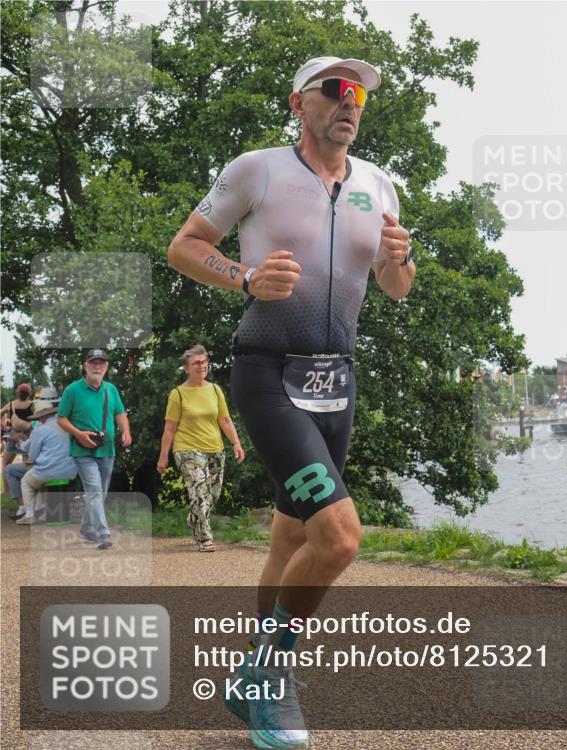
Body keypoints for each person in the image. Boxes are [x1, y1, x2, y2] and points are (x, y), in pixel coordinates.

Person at [167, 55, 413, 749]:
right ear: (298, 104)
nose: (350, 102)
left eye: (358, 93)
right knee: (338, 537)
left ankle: (257, 673)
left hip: (339, 381)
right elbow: (184, 247)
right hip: (268, 371)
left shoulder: (377, 183)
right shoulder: (260, 169)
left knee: (294, 538)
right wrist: (245, 277)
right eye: (335, 90)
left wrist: (400, 256)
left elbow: (397, 287)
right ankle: (269, 675)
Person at [157, 344, 245, 551]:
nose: (201, 366)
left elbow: (224, 419)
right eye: (196, 363)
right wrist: (163, 457)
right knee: (199, 492)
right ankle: (205, 538)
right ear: (187, 368)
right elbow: (169, 429)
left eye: (204, 362)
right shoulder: (177, 394)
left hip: (215, 448)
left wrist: (236, 443)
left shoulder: (215, 390)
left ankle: (194, 518)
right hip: (187, 449)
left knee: (212, 494)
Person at [56, 349, 132, 550]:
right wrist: (78, 434)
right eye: (93, 363)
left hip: (106, 449)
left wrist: (126, 431)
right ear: (85, 366)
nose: (97, 366)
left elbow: (120, 413)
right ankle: (103, 533)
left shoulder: (111, 389)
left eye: (101, 363)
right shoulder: (73, 390)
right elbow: (61, 419)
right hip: (82, 450)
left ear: (106, 367)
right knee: (94, 490)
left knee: (100, 493)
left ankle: (86, 527)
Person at [11, 400, 77, 525]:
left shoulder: (40, 429)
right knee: (38, 480)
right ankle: (42, 510)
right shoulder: (66, 424)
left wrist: (21, 444)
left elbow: (32, 456)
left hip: (49, 471)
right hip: (71, 470)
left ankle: (30, 514)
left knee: (26, 482)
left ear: (40, 416)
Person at [1, 383, 34, 499]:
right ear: (29, 393)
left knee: (5, 464)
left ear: (17, 392)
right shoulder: (32, 405)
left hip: (13, 436)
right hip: (28, 437)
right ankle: (28, 488)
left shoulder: (11, 405)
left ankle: (6, 491)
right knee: (27, 465)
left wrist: (6, 429)